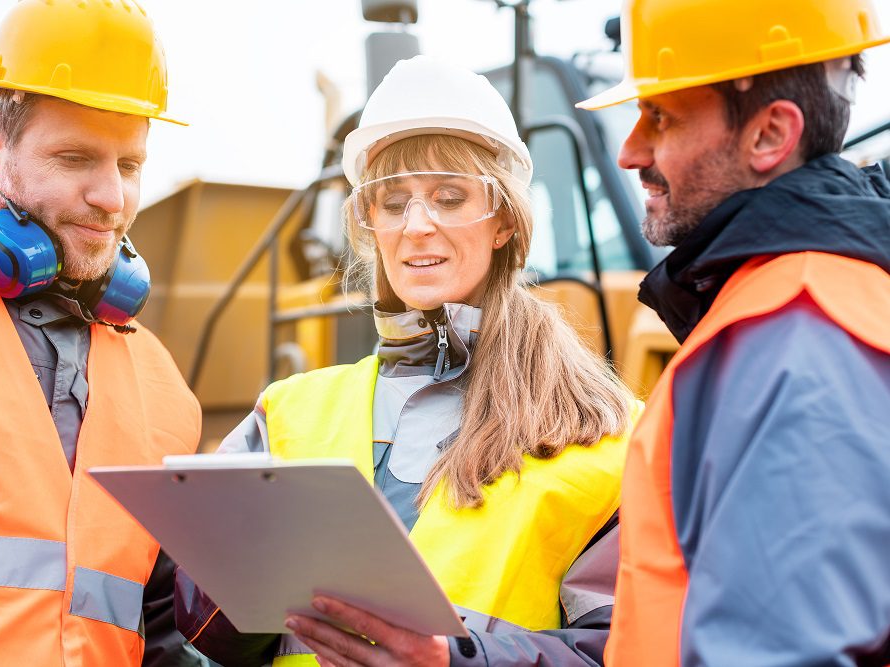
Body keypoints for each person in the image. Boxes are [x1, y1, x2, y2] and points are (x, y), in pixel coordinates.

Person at [175, 55, 640, 667]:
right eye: (393, 203)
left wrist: (455, 661)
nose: (417, 226)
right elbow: (200, 630)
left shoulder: (609, 437)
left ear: (503, 221)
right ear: (369, 223)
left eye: (449, 198)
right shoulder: (286, 413)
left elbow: (628, 648)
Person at [0, 2, 212, 665]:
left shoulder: (163, 389)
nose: (111, 197)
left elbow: (156, 632)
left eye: (128, 165)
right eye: (75, 158)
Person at [575, 0, 890, 664]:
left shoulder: (795, 335)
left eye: (660, 117)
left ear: (771, 134)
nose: (631, 150)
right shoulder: (791, 306)